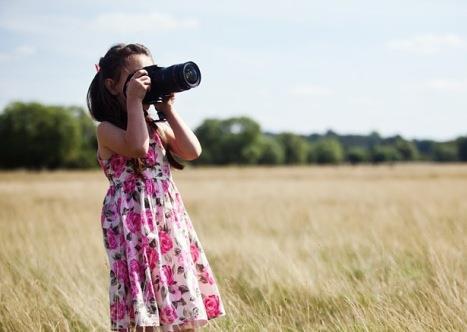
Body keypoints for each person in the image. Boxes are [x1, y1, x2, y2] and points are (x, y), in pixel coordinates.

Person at [87, 43, 226, 332]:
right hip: (132, 227)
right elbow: (137, 147)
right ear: (113, 86)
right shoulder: (106, 131)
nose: (147, 81)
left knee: (176, 289)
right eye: (138, 76)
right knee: (144, 299)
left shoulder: (156, 127)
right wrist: (134, 102)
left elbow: (191, 150)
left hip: (166, 222)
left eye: (150, 73)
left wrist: (169, 110)